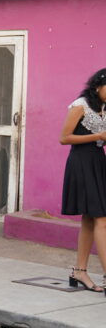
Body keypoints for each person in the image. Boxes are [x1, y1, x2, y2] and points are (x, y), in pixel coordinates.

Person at [59, 67, 106, 292]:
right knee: (102, 219)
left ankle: (80, 272)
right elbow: (64, 138)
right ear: (98, 86)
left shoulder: (104, 108)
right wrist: (99, 136)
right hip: (81, 162)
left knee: (90, 219)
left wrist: (101, 140)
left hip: (98, 160)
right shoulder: (80, 105)